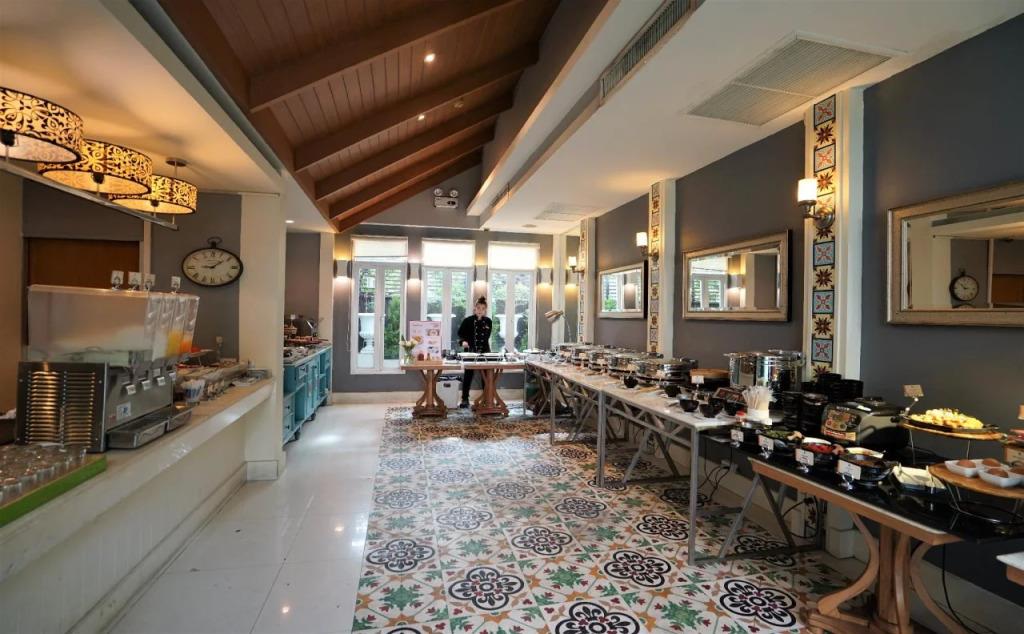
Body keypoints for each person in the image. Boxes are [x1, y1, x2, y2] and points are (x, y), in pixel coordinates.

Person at [456, 296, 492, 408]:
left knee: (486, 375)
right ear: (474, 308)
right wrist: (463, 341)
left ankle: (487, 398)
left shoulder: (488, 321)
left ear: (485, 310)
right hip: (470, 352)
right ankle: (464, 399)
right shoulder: (467, 320)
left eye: (483, 308)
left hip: (485, 352)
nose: (480, 310)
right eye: (478, 308)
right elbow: (460, 334)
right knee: (468, 375)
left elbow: (486, 337)